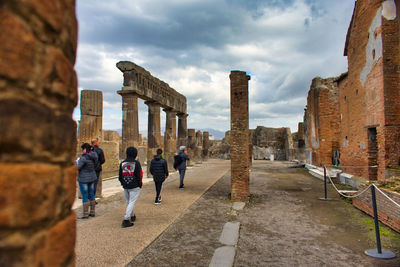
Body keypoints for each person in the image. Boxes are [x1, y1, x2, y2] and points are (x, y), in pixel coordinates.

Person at [119, 146, 143, 228]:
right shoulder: (136, 163)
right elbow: (139, 175)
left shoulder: (122, 163)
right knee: (131, 201)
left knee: (128, 201)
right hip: (134, 185)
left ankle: (132, 216)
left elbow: (120, 176)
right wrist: (140, 184)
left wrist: (123, 183)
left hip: (126, 185)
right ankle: (126, 219)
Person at [77, 143, 98, 218]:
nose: (82, 151)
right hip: (92, 177)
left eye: (83, 149)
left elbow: (78, 167)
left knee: (85, 195)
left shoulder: (83, 158)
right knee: (91, 194)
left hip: (84, 179)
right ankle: (92, 212)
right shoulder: (94, 156)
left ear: (85, 149)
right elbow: (96, 165)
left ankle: (85, 214)